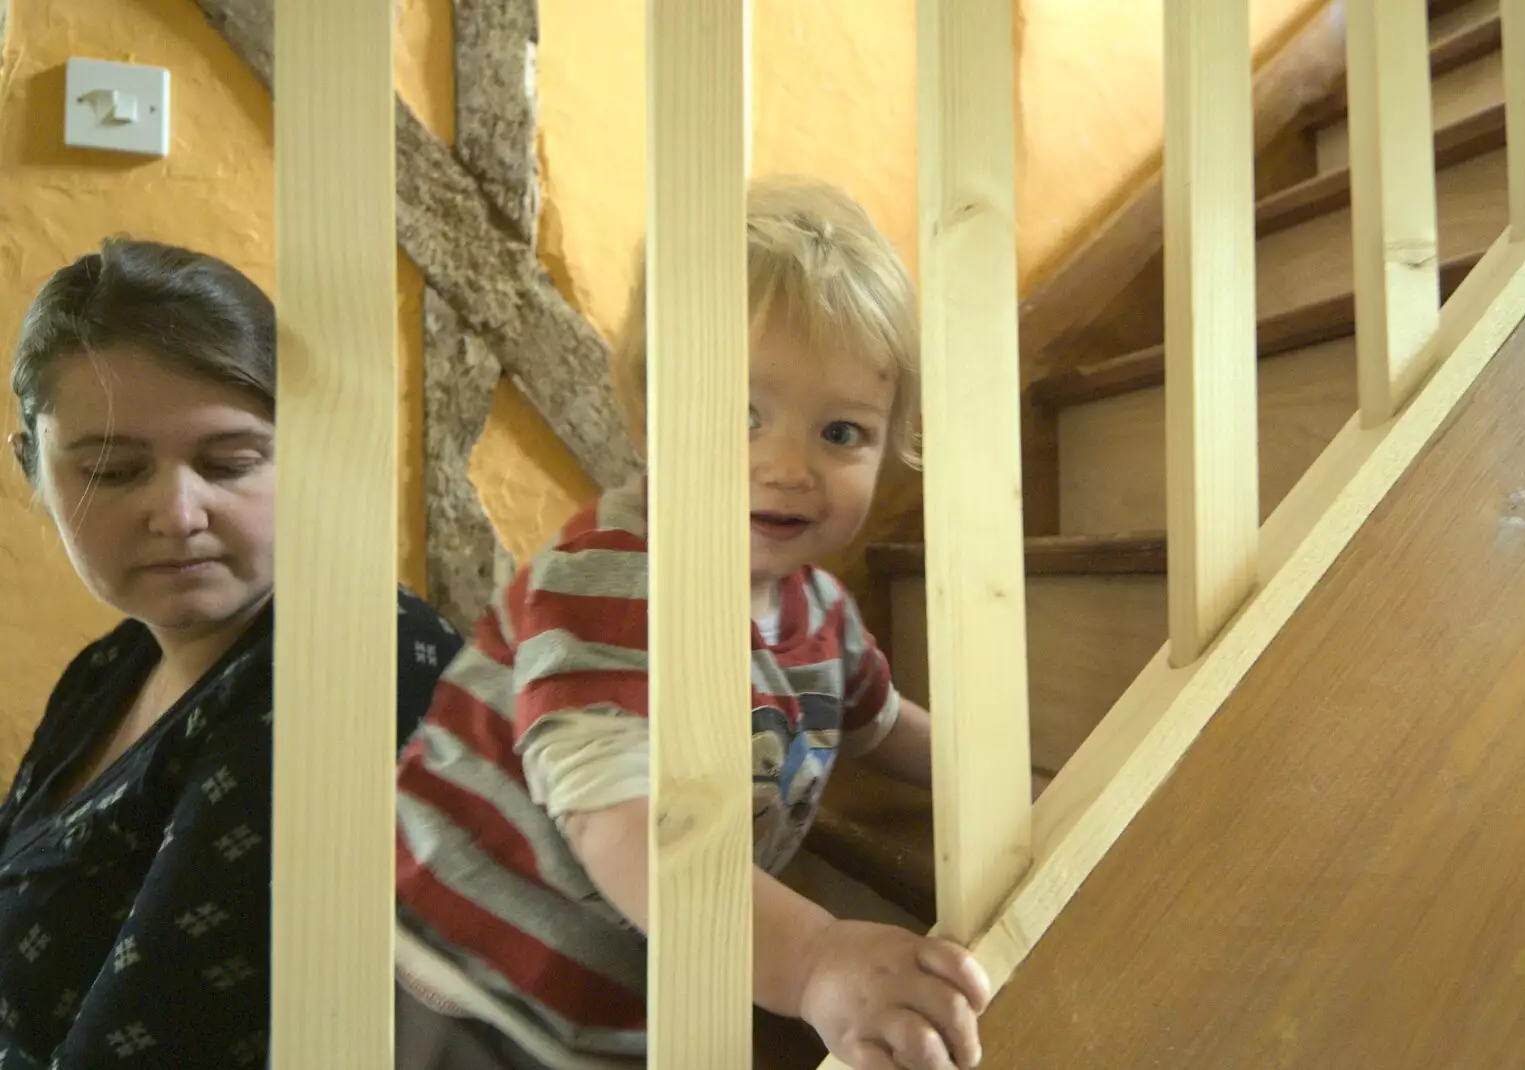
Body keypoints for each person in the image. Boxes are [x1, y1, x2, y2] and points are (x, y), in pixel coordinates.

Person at [392, 177, 991, 1070]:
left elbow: (883, 724)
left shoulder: (818, 615)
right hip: (464, 978)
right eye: (741, 415)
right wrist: (813, 956)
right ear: (650, 411)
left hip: (618, 993)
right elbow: (615, 821)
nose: (787, 466)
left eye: (841, 433)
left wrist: (1012, 785)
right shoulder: (614, 576)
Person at [0, 238, 463, 1068]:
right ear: (32, 470)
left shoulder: (357, 661)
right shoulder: (111, 669)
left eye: (230, 463)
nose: (178, 513)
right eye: (111, 469)